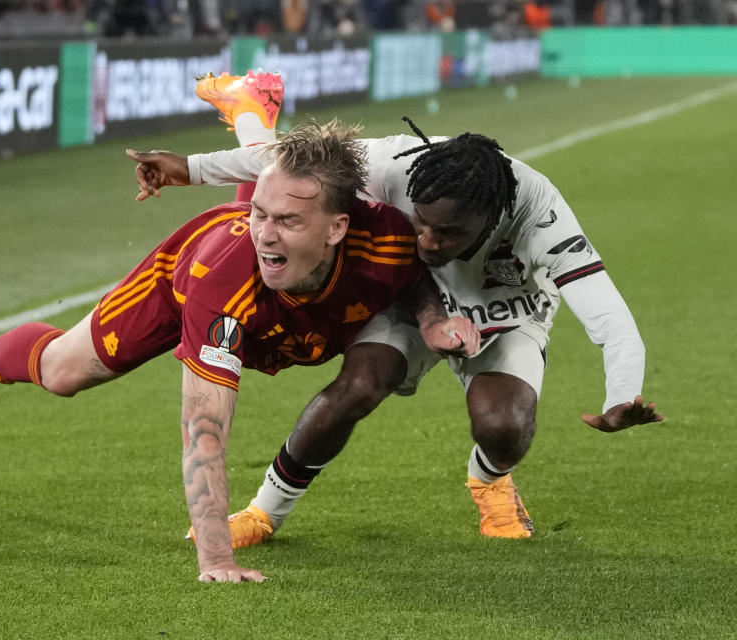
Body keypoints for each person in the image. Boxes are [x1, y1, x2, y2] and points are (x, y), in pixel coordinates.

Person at [126, 72, 663, 547]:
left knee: (502, 426)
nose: (427, 238)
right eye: (420, 223)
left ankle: (490, 477)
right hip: (413, 292)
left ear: (492, 217)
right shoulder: (397, 165)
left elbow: (609, 316)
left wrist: (622, 394)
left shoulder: (540, 215)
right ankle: (263, 513)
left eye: (447, 231)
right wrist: (190, 168)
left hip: (506, 309)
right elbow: (286, 162)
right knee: (357, 385)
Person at [0, 119, 476, 583]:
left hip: (286, 299)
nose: (266, 232)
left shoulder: (388, 239)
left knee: (272, 236)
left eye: (287, 219)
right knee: (63, 373)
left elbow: (411, 280)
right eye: (261, 213)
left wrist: (431, 320)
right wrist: (216, 557)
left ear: (339, 227)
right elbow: (204, 430)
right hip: (181, 284)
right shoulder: (224, 287)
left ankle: (251, 116)